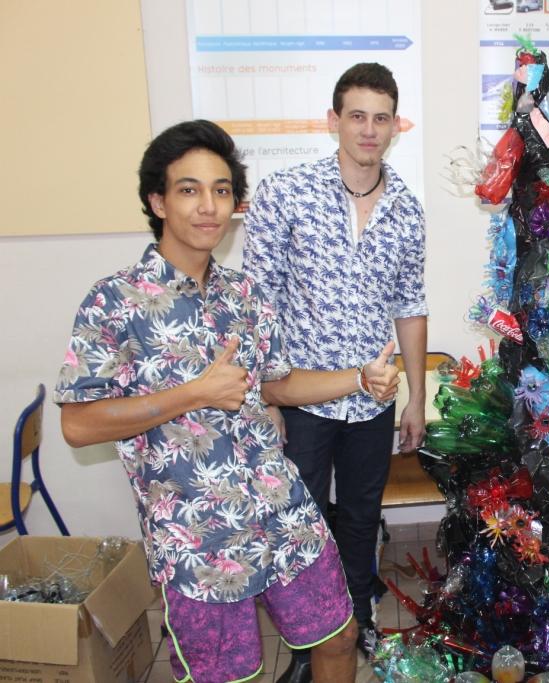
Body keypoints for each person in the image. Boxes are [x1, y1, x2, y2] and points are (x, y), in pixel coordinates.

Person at [55, 120, 401, 683]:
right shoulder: (114, 301)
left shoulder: (243, 295)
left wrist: (358, 379)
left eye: (220, 190)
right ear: (157, 201)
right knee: (231, 675)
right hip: (199, 538)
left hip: (278, 502)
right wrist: (194, 393)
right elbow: (77, 424)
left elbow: (276, 385)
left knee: (339, 636)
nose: (208, 206)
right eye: (188, 189)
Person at [242, 62, 427, 678]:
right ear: (333, 121)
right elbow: (258, 299)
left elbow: (410, 307)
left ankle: (355, 626)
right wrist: (265, 396)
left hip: (371, 402)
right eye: (357, 116)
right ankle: (307, 642)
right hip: (300, 400)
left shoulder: (407, 209)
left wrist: (417, 400)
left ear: (395, 127)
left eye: (381, 118)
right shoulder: (285, 194)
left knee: (359, 518)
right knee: (301, 522)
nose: (368, 130)